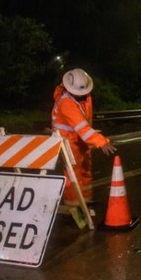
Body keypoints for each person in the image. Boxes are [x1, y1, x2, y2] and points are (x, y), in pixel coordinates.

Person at [51, 68, 117, 206]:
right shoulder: (66, 102)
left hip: (79, 139)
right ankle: (75, 206)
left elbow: (84, 126)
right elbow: (82, 128)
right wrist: (101, 141)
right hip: (67, 141)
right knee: (73, 175)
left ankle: (85, 200)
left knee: (85, 170)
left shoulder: (83, 98)